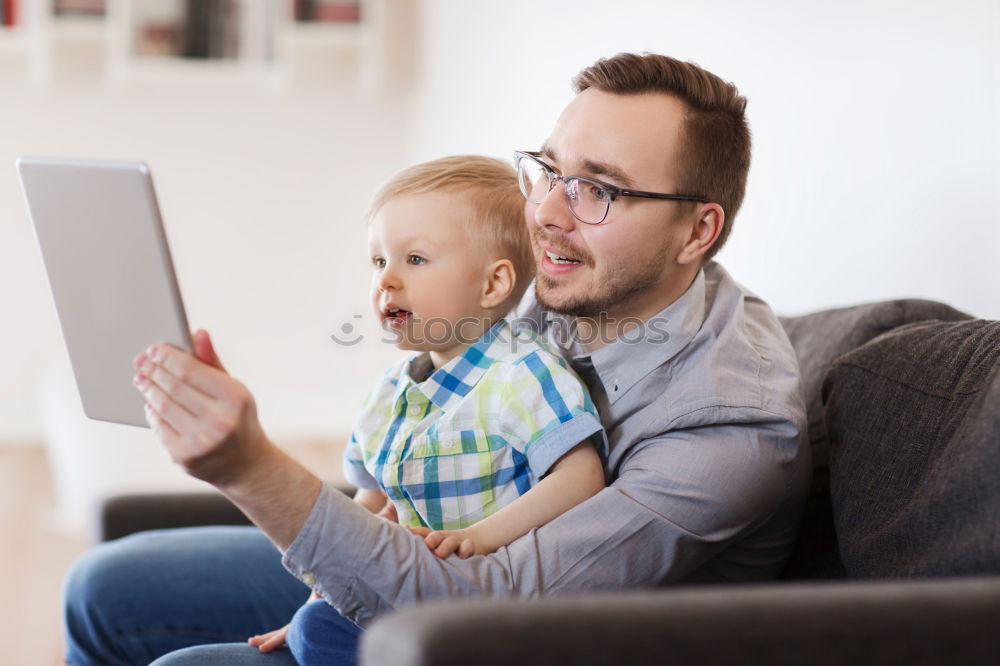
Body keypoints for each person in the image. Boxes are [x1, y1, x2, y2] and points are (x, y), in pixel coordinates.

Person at [63, 52, 811, 666]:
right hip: (435, 540)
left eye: (598, 190)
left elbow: (477, 609)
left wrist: (250, 469)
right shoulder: (567, 282)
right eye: (549, 170)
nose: (547, 213)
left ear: (696, 231)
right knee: (100, 589)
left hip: (505, 635)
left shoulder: (730, 428)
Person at [246, 155, 607, 657]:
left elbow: (582, 476)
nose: (386, 281)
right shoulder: (389, 396)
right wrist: (321, 599)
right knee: (315, 626)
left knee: (319, 634)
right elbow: (368, 505)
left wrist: (480, 537)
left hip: (486, 610)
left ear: (493, 285)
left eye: (414, 260)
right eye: (379, 261)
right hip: (404, 591)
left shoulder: (522, 372)